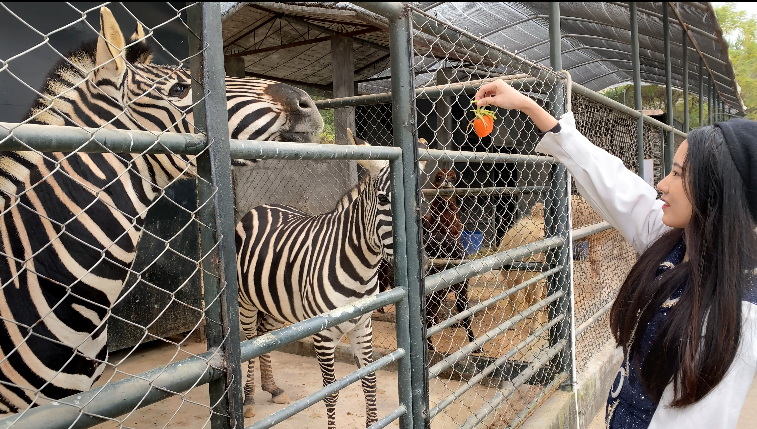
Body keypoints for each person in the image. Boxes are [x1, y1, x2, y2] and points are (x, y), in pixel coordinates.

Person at [474, 79, 757, 429]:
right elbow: (613, 181)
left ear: (717, 193)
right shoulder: (676, 242)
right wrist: (530, 107)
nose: (661, 184)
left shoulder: (736, 310)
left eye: (678, 175)